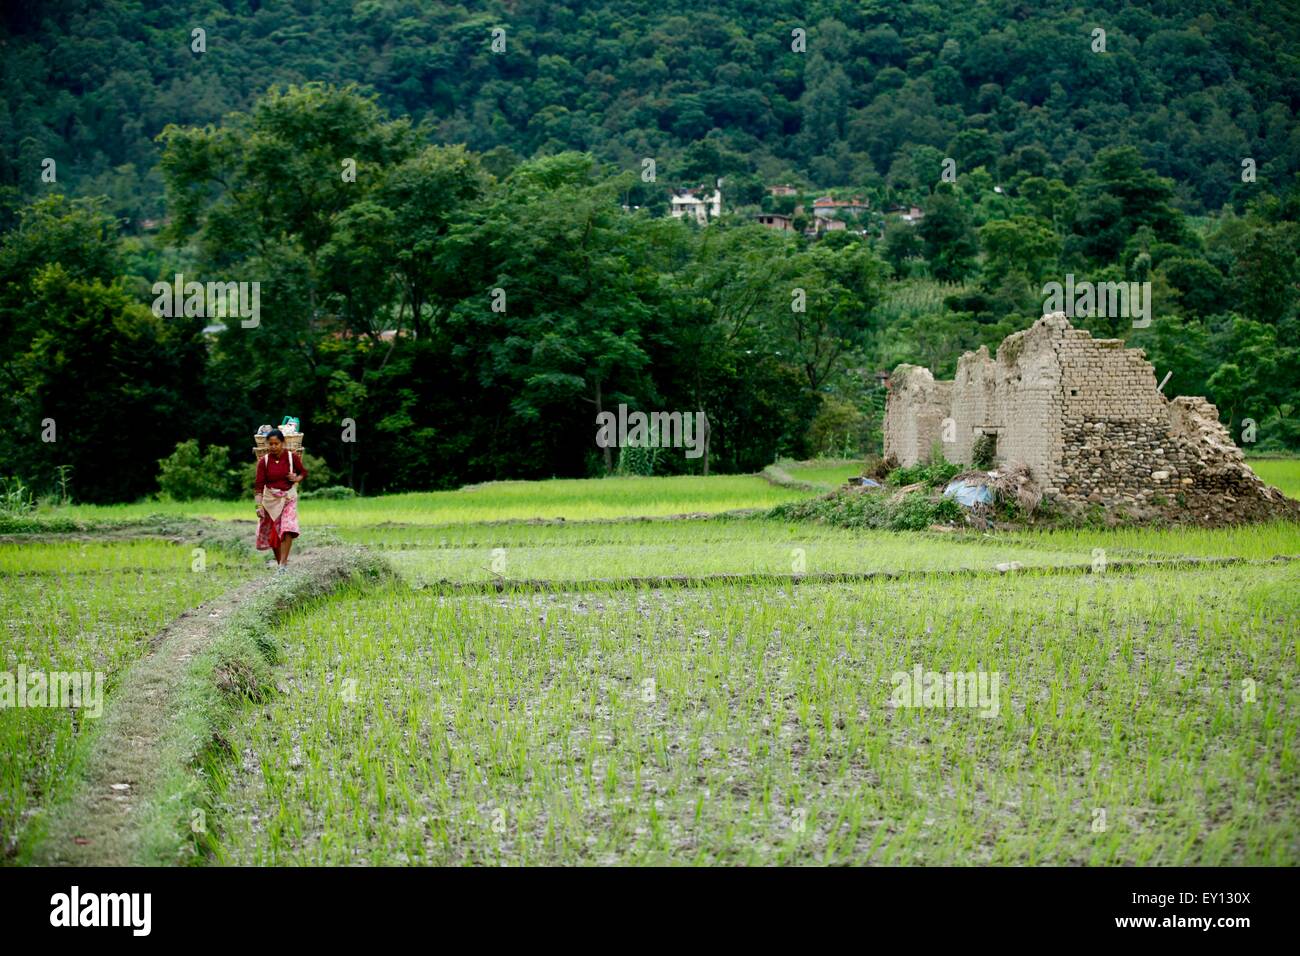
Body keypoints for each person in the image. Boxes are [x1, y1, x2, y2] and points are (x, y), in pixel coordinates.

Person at [253, 429, 306, 572]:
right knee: (274, 534)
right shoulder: (263, 462)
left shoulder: (291, 457)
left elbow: (303, 472)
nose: (274, 446)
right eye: (271, 444)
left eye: (277, 443)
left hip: (288, 497)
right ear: (267, 445)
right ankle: (280, 567)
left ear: (282, 443)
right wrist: (259, 506)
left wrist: (296, 478)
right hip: (270, 500)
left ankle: (283, 563)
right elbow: (258, 487)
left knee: (287, 527)